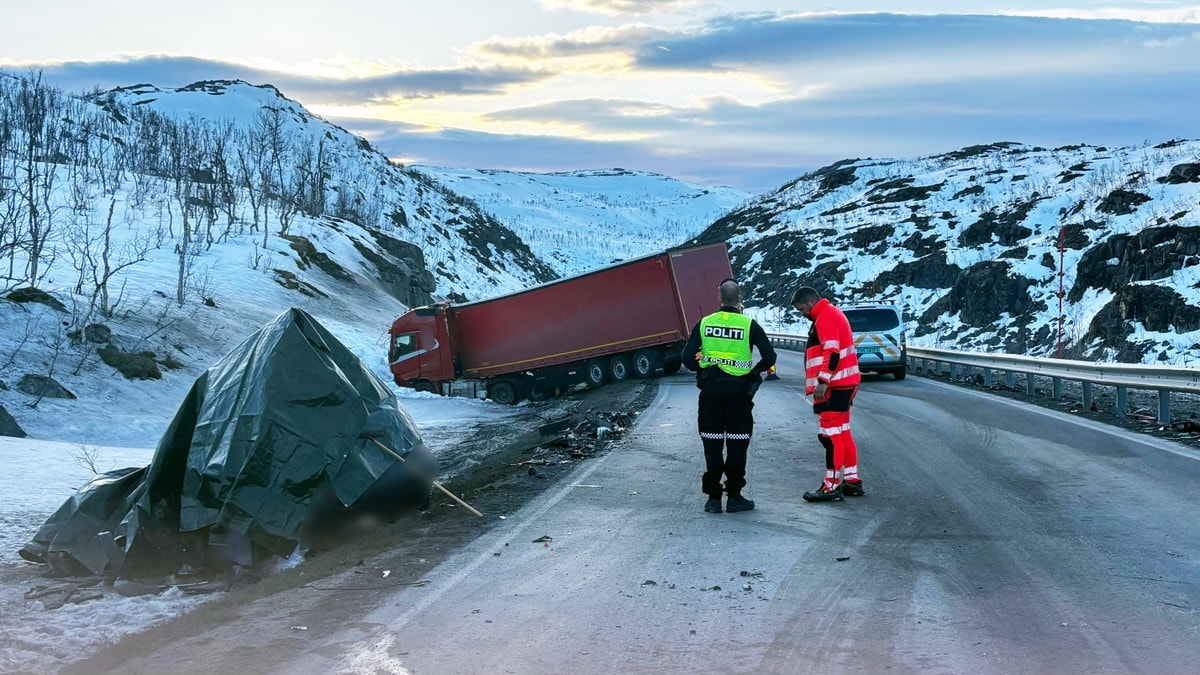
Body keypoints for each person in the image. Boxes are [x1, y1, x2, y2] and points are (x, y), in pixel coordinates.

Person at [682, 278, 777, 513]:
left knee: (712, 445)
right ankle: (735, 496)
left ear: (719, 298)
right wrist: (753, 372)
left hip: (711, 394)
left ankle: (713, 498)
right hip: (739, 395)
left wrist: (703, 369)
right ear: (740, 299)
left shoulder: (704, 324)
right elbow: (770, 356)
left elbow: (686, 358)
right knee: (737, 444)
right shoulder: (749, 325)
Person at [791, 286, 863, 502]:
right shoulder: (831, 313)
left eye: (802, 309)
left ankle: (830, 486)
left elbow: (832, 351)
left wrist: (823, 380)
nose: (802, 313)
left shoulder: (825, 316)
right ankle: (852, 481)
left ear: (811, 302)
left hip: (834, 385)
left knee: (830, 436)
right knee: (842, 432)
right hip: (845, 383)